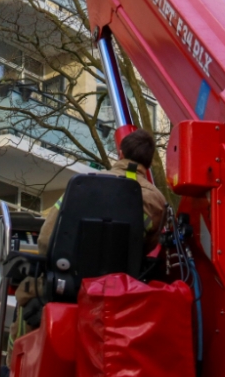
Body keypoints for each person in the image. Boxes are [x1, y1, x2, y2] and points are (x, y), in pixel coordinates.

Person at [11, 129, 167, 337]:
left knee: (25, 300)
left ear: (120, 153)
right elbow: (145, 247)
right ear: (149, 161)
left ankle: (12, 364)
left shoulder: (83, 184)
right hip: (121, 293)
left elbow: (47, 239)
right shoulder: (157, 201)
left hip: (64, 288)